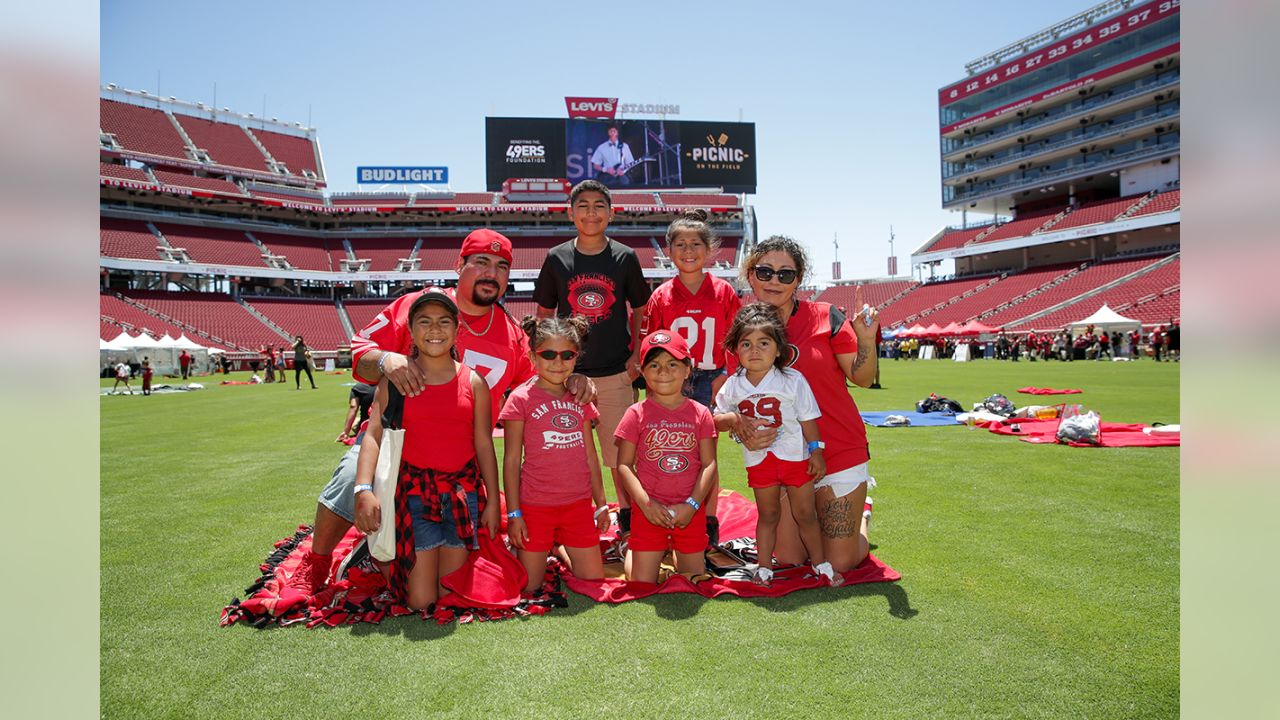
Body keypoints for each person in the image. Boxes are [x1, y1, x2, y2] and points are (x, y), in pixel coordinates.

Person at [286, 229, 594, 597]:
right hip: (396, 443)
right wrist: (387, 359)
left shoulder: (514, 335)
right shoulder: (418, 306)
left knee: (461, 567)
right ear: (459, 265)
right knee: (353, 473)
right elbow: (359, 352)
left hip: (459, 460)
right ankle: (318, 561)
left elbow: (544, 382)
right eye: (481, 262)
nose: (491, 273)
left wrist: (576, 380)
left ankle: (378, 555)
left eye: (500, 266)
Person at [733, 235, 877, 573]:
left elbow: (864, 378)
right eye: (765, 272)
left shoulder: (826, 316)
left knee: (838, 561)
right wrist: (742, 430)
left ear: (799, 279)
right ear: (750, 274)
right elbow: (736, 398)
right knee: (791, 558)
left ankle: (861, 516)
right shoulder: (742, 329)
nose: (774, 281)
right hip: (783, 460)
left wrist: (867, 341)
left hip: (838, 448)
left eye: (786, 274)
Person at [354, 289, 500, 610]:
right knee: (422, 602)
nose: (435, 330)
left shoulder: (474, 382)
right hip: (415, 496)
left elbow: (483, 444)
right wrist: (363, 489)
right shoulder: (394, 379)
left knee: (451, 598)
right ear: (411, 330)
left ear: (457, 329)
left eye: (444, 321)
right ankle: (378, 556)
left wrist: (492, 500)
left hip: (462, 495)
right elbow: (373, 435)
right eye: (425, 321)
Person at [535, 180, 651, 539]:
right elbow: (543, 314)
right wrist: (549, 363)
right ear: (570, 213)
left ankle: (629, 526)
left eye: (599, 205)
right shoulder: (557, 257)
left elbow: (641, 309)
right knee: (569, 456)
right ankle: (577, 524)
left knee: (620, 460)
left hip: (616, 373)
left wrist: (636, 354)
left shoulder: (624, 257)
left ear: (611, 212)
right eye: (582, 205)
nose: (591, 212)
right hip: (568, 376)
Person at [714, 304, 840, 587]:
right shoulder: (733, 385)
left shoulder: (792, 380)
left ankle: (822, 564)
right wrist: (734, 418)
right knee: (768, 514)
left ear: (778, 348)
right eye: (746, 343)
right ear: (736, 349)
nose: (754, 350)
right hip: (759, 460)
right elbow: (715, 419)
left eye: (763, 343)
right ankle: (764, 566)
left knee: (805, 514)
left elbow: (808, 420)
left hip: (794, 457)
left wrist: (816, 451)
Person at [642, 209, 740, 545]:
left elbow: (734, 337)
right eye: (680, 244)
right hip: (671, 382)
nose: (688, 250)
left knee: (705, 457)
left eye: (696, 243)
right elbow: (651, 350)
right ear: (668, 251)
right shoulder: (662, 296)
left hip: (711, 378)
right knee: (663, 450)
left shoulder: (724, 291)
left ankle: (707, 522)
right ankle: (661, 517)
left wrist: (724, 376)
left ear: (709, 248)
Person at [500, 316, 609, 594]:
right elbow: (511, 460)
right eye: (548, 354)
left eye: (566, 355)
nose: (557, 363)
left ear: (576, 358)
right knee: (529, 587)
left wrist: (601, 503)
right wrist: (514, 513)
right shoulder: (520, 399)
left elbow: (590, 454)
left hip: (577, 505)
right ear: (532, 357)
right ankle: (538, 546)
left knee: (593, 581)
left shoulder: (579, 396)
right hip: (536, 506)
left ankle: (559, 549)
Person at [613, 331, 717, 583]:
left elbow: (709, 464)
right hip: (650, 511)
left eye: (673, 364)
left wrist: (692, 505)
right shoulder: (636, 413)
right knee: (640, 582)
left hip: (688, 512)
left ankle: (675, 550)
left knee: (693, 578)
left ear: (687, 369)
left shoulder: (701, 413)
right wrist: (646, 504)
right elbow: (624, 465)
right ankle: (633, 549)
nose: (663, 371)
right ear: (643, 371)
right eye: (654, 365)